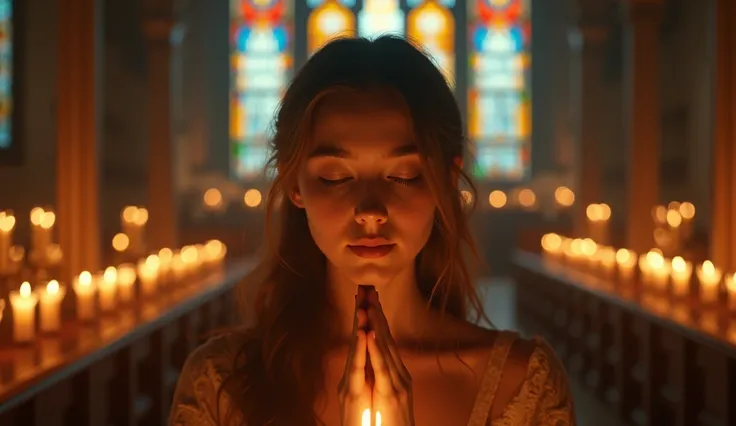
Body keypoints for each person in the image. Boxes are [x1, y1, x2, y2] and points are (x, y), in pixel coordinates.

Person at [169, 35, 575, 426]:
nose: (370, 212)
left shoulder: (520, 384)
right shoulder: (221, 386)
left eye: (401, 176)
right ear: (295, 185)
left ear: (445, 182)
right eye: (334, 177)